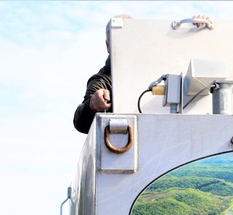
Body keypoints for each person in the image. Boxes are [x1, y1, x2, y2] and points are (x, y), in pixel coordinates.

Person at [73, 14, 210, 133]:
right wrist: (92, 104)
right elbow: (80, 123)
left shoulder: (160, 61)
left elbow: (189, 67)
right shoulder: (103, 80)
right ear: (108, 46)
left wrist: (197, 34)